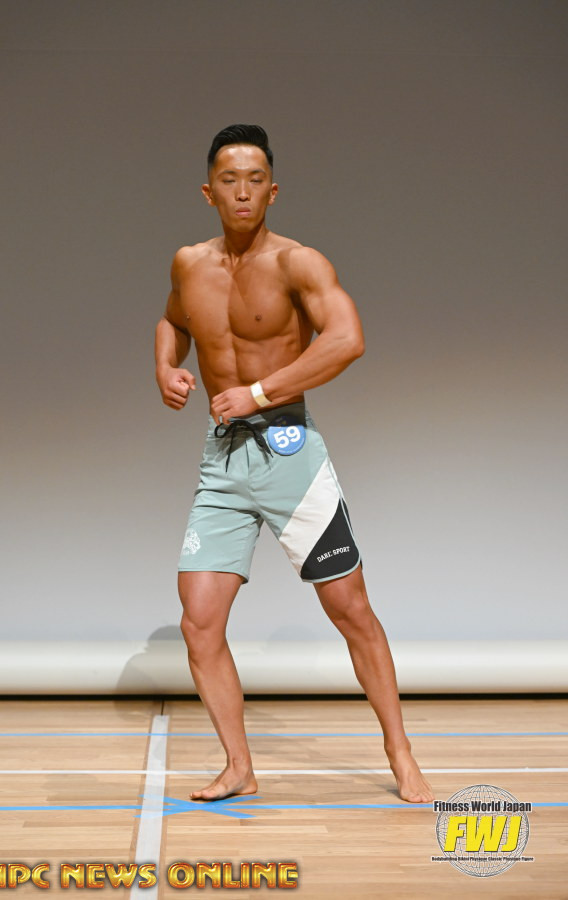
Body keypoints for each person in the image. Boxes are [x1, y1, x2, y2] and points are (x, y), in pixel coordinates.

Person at [155, 124, 434, 804]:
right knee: (198, 621)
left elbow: (347, 339)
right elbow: (174, 322)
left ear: (272, 191)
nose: (242, 192)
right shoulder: (189, 263)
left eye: (255, 180)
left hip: (290, 452)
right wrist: (165, 368)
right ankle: (239, 767)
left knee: (350, 608)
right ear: (208, 192)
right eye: (229, 180)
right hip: (223, 459)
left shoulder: (297, 263)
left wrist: (257, 392)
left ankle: (401, 754)